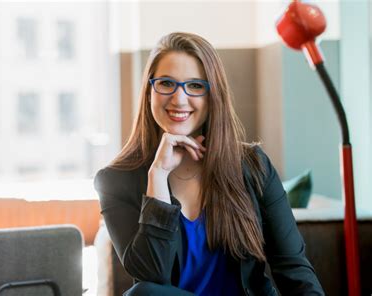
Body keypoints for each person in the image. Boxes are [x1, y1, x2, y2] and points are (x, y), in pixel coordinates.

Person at [94, 32, 324, 296]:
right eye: (166, 83)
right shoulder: (115, 181)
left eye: (195, 86)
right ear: (149, 92)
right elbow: (151, 276)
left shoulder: (253, 166)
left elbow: (293, 267)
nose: (179, 99)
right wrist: (157, 176)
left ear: (213, 95)